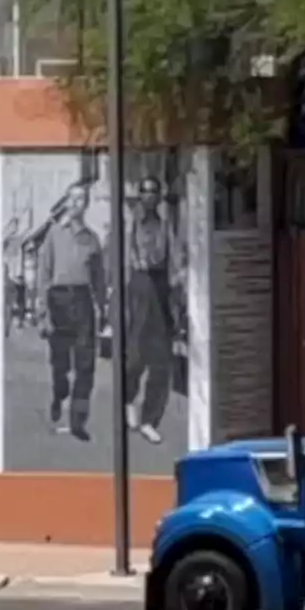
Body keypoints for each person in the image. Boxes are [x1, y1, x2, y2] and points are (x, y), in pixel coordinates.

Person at [35, 179, 105, 441]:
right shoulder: (53, 234)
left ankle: (78, 421)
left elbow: (99, 279)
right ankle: (58, 393)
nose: (75, 204)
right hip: (58, 299)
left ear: (86, 205)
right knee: (60, 363)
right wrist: (42, 311)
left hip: (83, 301)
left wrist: (103, 309)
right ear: (65, 202)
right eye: (72, 199)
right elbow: (44, 274)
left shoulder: (92, 239)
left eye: (81, 200)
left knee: (86, 365)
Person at [124, 176, 177, 445]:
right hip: (138, 291)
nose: (149, 196)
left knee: (161, 363)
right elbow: (128, 258)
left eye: (153, 192)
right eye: (144, 191)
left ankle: (149, 419)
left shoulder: (165, 224)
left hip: (159, 291)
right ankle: (129, 400)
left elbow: (169, 257)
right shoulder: (132, 223)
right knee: (135, 357)